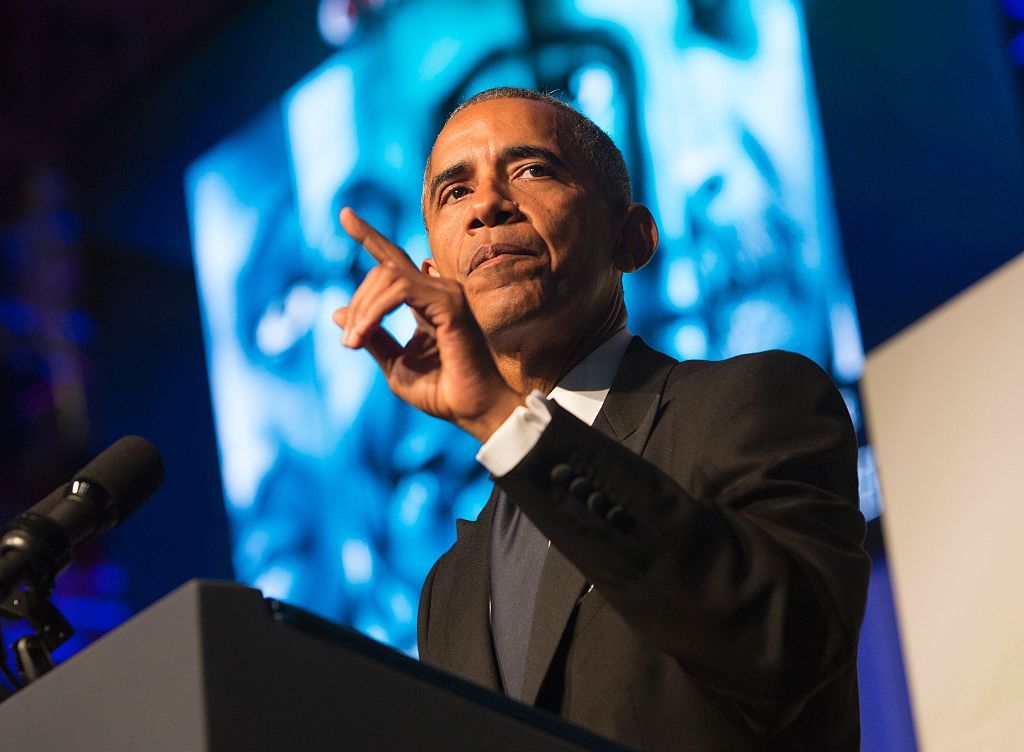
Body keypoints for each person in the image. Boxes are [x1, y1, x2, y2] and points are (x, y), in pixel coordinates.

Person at [332, 87, 869, 751]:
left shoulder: (757, 401)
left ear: (632, 236)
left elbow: (785, 654)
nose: (488, 208)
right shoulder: (450, 588)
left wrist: (505, 422)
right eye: (454, 193)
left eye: (531, 170)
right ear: (433, 273)